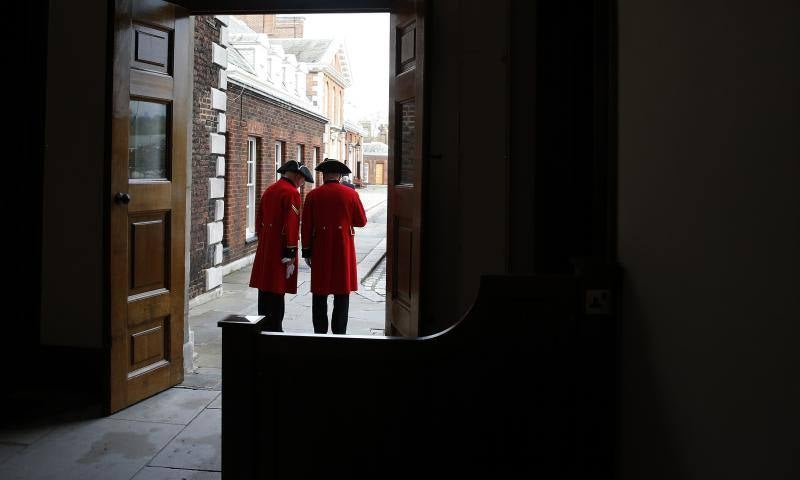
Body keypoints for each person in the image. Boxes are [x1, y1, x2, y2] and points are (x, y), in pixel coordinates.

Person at [301, 158, 367, 334]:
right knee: (342, 293)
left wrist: (306, 251)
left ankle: (320, 333)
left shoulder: (313, 195)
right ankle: (339, 334)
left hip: (320, 248)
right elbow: (361, 221)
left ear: (324, 176)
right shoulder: (351, 194)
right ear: (339, 175)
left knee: (319, 295)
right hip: (342, 249)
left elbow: (306, 226)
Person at [249, 160, 314, 332]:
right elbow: (292, 224)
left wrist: (264, 239)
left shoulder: (270, 190)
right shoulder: (292, 193)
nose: (302, 184)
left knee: (264, 288)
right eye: (302, 180)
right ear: (297, 176)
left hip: (266, 245)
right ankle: (275, 328)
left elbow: (259, 220)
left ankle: (262, 325)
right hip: (281, 248)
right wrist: (291, 251)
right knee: (278, 289)